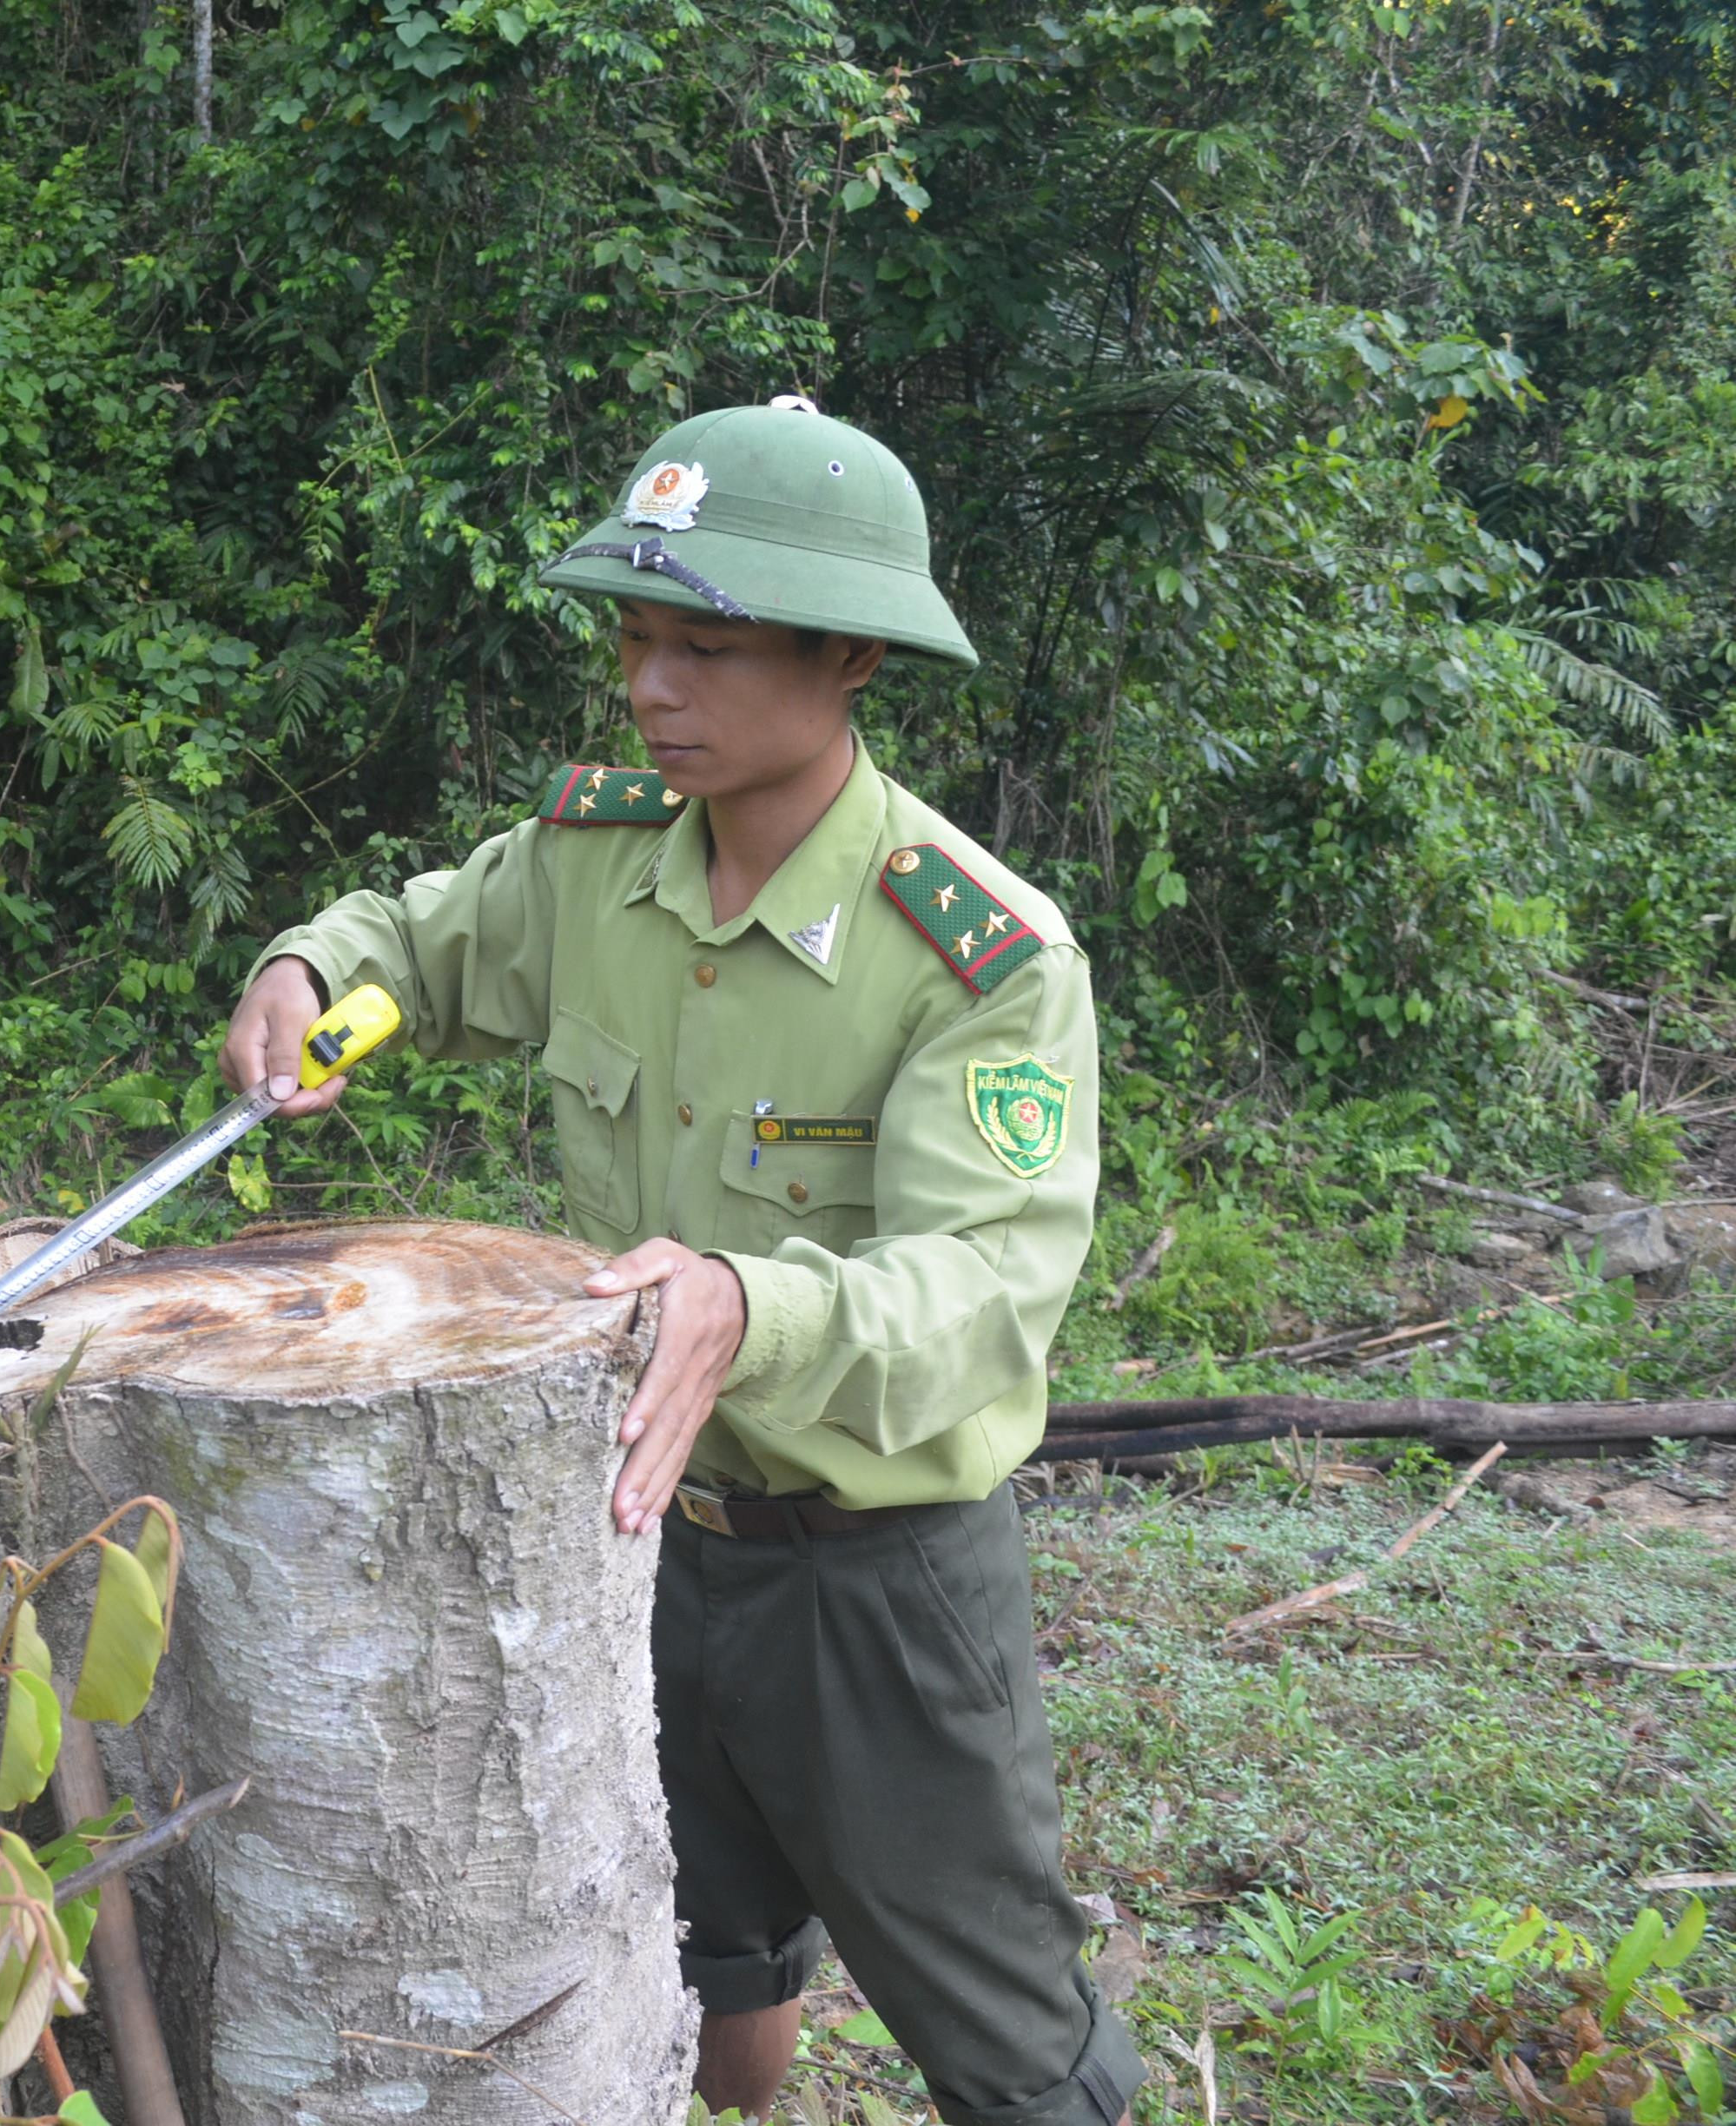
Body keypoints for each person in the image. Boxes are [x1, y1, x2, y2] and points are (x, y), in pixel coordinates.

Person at [218, 399, 1145, 2126]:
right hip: (633, 1538)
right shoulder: (600, 853)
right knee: (687, 1935)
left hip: (875, 1579)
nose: (652, 690)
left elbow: (984, 1296)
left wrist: (748, 1306)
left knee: (1006, 2032)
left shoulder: (976, 956)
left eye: (705, 650)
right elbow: (418, 942)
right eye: (637, 641)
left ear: (849, 655)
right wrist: (307, 968)